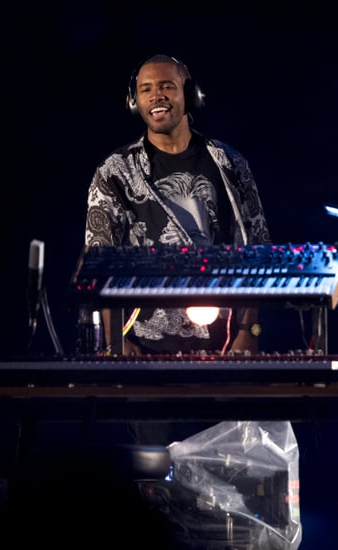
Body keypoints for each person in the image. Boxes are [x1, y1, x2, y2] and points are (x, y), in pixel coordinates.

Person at [84, 54, 272, 358]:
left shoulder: (229, 163)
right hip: (141, 347)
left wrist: (249, 331)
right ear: (134, 101)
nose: (156, 96)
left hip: (223, 345)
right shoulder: (115, 172)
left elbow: (258, 250)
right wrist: (114, 340)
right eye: (145, 89)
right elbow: (98, 262)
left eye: (166, 86)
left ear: (190, 94)